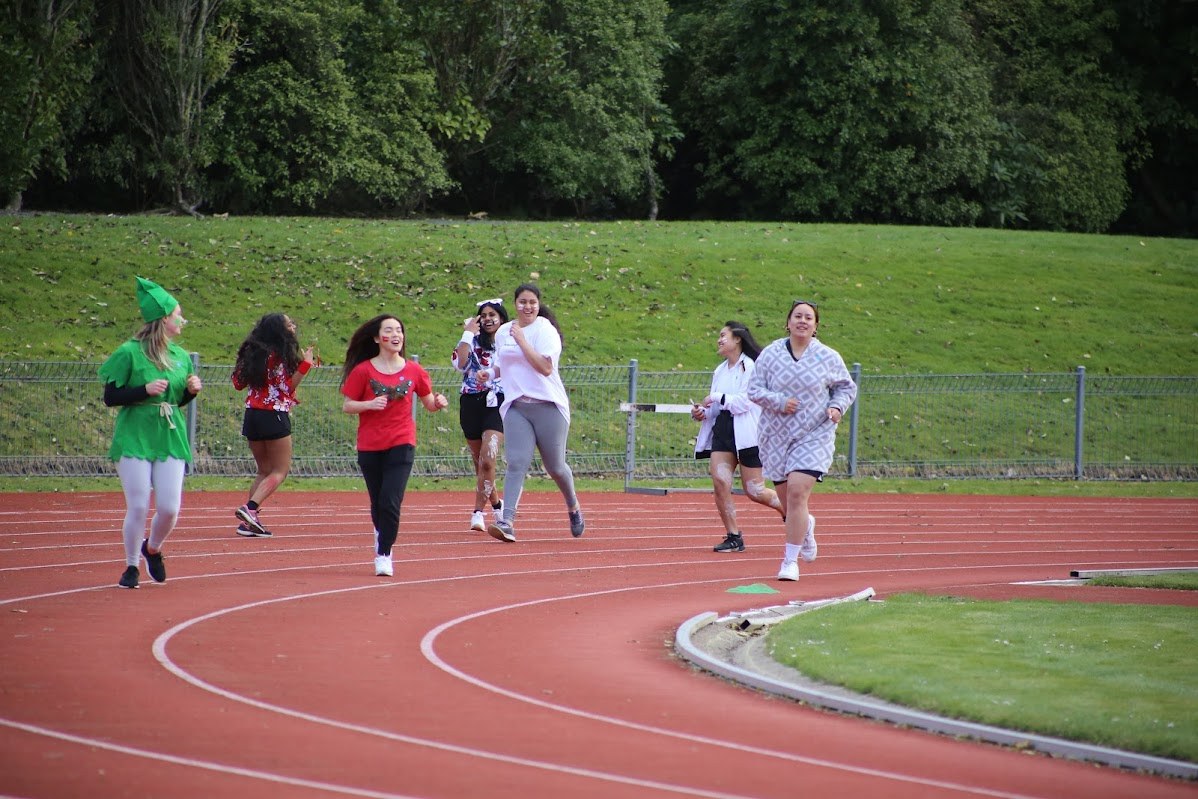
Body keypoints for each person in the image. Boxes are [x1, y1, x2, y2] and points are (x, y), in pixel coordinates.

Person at [98, 277, 203, 589]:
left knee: (169, 508)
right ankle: (131, 565)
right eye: (178, 315)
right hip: (135, 435)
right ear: (163, 319)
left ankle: (152, 548)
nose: (182, 320)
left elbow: (176, 401)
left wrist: (190, 392)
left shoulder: (180, 356)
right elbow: (110, 397)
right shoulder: (129, 352)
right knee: (139, 505)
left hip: (169, 434)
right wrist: (143, 390)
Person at [748, 300, 857, 582]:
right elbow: (754, 389)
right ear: (788, 322)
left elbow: (846, 388)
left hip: (814, 434)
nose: (803, 321)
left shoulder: (828, 356)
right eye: (798, 316)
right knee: (789, 502)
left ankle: (790, 562)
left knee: (797, 492)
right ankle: (805, 525)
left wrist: (836, 407)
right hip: (776, 436)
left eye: (809, 317)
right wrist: (779, 401)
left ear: (816, 326)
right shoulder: (771, 354)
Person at [340, 314, 448, 576]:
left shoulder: (414, 370)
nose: (396, 335)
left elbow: (428, 403)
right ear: (378, 338)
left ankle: (384, 553)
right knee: (378, 501)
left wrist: (438, 403)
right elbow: (347, 405)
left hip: (402, 441)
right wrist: (369, 404)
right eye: (389, 330)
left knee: (390, 500)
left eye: (399, 330)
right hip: (370, 444)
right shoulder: (363, 371)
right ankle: (381, 533)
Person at [484, 283, 584, 542]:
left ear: (538, 305)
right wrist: (489, 373)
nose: (527, 306)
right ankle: (507, 521)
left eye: (532, 302)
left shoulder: (545, 330)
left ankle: (573, 506)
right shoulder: (504, 331)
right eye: (522, 302)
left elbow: (545, 368)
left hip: (548, 406)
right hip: (517, 406)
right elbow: (503, 364)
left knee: (556, 467)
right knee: (516, 462)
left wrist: (522, 340)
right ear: (515, 304)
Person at [692, 321, 784, 553]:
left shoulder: (751, 367)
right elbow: (715, 408)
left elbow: (743, 403)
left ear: (737, 339)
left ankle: (793, 513)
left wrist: (715, 397)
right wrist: (702, 412)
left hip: (747, 435)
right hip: (723, 432)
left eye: (723, 335)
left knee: (755, 490)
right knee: (720, 482)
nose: (719, 340)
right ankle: (734, 537)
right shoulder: (720, 370)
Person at [230, 313, 317, 537]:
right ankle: (250, 508)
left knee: (264, 471)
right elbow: (286, 388)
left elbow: (238, 383)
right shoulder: (278, 356)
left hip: (252, 414)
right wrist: (306, 364)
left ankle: (248, 523)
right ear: (279, 330)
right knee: (280, 470)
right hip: (274, 415)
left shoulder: (251, 353)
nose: (293, 326)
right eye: (289, 324)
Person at [451, 298, 508, 532]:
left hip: (497, 402)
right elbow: (460, 364)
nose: (487, 319)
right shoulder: (471, 341)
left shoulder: (509, 341)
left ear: (501, 318)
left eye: (492, 315)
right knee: (480, 464)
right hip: (471, 402)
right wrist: (467, 334)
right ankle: (496, 505)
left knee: (488, 459)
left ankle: (477, 513)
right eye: (483, 315)